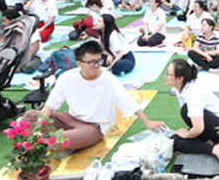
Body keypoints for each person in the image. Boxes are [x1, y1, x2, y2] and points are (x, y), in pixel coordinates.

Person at [22, 41, 164, 151]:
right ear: (79, 63)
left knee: (63, 138)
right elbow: (49, 107)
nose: (96, 65)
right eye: (91, 62)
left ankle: (47, 143)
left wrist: (148, 122)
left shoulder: (108, 79)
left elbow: (129, 103)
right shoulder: (66, 78)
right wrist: (37, 129)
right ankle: (47, 140)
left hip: (94, 127)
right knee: (30, 116)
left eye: (98, 61)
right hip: (71, 119)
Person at [165, 59, 219, 164]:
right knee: (174, 142)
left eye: (168, 73)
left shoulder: (193, 93)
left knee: (185, 111)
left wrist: (186, 134)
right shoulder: (181, 88)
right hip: (207, 127)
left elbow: (198, 128)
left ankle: (215, 148)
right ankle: (211, 145)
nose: (165, 76)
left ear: (179, 78)